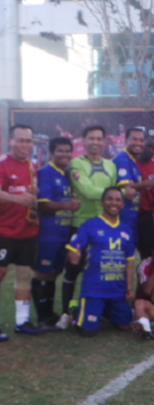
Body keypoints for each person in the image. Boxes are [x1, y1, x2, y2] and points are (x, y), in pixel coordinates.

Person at [62, 125, 118, 321]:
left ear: (104, 141)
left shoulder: (111, 165)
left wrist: (114, 197)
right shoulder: (76, 164)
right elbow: (86, 190)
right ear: (84, 141)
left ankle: (97, 310)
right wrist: (113, 196)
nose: (95, 142)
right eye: (91, 138)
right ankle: (65, 313)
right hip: (81, 224)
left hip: (105, 226)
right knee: (73, 269)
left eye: (99, 138)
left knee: (100, 269)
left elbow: (115, 193)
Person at [65, 187, 135, 337]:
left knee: (125, 327)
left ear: (122, 204)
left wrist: (129, 287)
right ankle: (77, 309)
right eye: (110, 199)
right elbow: (74, 246)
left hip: (117, 290)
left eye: (118, 200)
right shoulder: (90, 225)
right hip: (94, 289)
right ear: (102, 202)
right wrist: (74, 253)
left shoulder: (126, 229)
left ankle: (102, 310)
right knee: (88, 331)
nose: (114, 203)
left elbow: (129, 262)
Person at [32, 137, 81, 329]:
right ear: (51, 153)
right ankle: (42, 317)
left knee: (54, 273)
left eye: (68, 151)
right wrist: (66, 204)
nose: (65, 155)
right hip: (48, 234)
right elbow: (42, 205)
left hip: (63, 234)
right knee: (42, 274)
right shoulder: (46, 172)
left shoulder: (68, 173)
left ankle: (49, 314)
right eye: (60, 151)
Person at [0, 125, 43, 340]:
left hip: (27, 231)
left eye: (28, 140)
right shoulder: (2, 163)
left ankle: (22, 321)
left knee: (25, 275)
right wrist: (18, 198)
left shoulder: (32, 165)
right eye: (20, 140)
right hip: (4, 231)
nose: (25, 145)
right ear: (10, 141)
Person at [113, 128, 154, 248]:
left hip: (132, 213)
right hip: (122, 214)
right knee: (122, 251)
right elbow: (127, 187)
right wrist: (151, 182)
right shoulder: (122, 158)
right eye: (134, 139)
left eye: (141, 140)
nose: (138, 143)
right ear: (126, 140)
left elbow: (136, 187)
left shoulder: (132, 159)